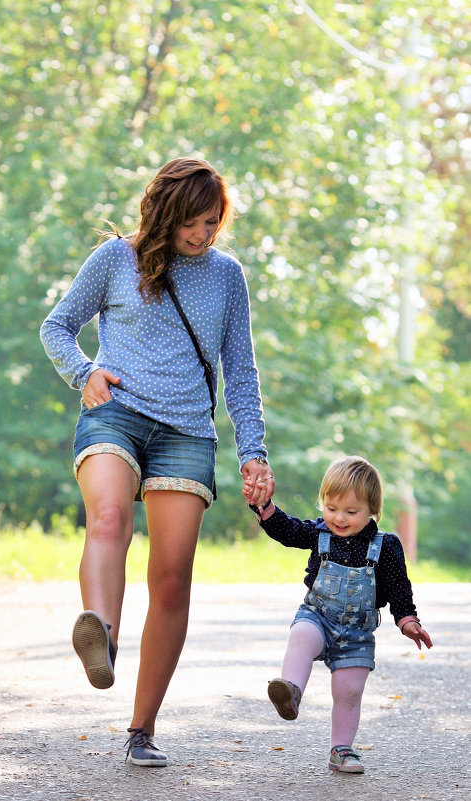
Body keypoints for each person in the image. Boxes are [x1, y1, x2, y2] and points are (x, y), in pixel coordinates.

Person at [40, 157, 274, 766]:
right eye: (192, 222)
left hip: (187, 432)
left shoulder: (227, 276)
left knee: (171, 579)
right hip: (116, 413)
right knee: (108, 519)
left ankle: (141, 730)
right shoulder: (116, 259)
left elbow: (240, 372)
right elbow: (57, 327)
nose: (203, 234)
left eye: (213, 222)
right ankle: (102, 635)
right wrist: (85, 373)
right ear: (166, 213)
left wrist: (254, 452)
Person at [243, 455, 432, 774]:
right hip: (318, 617)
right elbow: (287, 530)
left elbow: (399, 586)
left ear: (372, 509)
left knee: (350, 691)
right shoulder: (319, 533)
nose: (339, 518)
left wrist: (407, 620)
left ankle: (341, 749)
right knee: (301, 635)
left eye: (351, 512)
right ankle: (290, 690)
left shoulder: (385, 546)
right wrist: (264, 506)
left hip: (357, 634)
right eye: (331, 508)